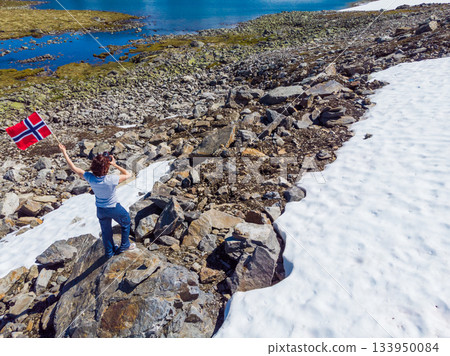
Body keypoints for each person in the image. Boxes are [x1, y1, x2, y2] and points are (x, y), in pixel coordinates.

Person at [59, 143, 135, 258]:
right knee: (126, 222)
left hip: (100, 209)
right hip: (113, 207)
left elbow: (73, 168)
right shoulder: (112, 179)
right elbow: (128, 174)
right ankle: (125, 245)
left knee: (106, 232)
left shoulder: (90, 177)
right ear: (106, 167)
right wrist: (114, 164)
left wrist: (64, 152)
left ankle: (109, 253)